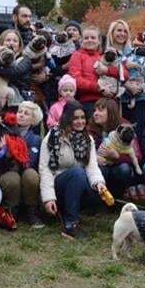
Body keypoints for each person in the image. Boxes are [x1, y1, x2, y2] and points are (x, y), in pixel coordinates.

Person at [39, 101, 108, 240]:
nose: (80, 121)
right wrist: (48, 198)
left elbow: (92, 166)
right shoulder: (52, 137)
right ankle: (70, 224)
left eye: (82, 118)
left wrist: (99, 183)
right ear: (67, 118)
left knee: (100, 175)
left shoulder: (87, 139)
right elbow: (45, 170)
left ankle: (79, 211)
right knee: (77, 172)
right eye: (75, 118)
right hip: (58, 185)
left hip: (78, 183)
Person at [0, 101, 43, 227]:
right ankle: (11, 211)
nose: (21, 115)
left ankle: (32, 211)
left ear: (33, 120)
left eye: (26, 113)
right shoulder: (4, 131)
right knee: (13, 178)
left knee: (31, 175)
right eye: (20, 112)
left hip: (26, 174)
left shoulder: (36, 139)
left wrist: (10, 152)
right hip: (6, 173)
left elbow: (30, 162)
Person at [89, 97, 142, 198]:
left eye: (100, 110)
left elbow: (137, 155)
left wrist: (118, 157)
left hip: (117, 167)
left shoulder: (125, 127)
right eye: (95, 110)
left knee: (124, 169)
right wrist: (95, 158)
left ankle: (116, 198)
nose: (95, 113)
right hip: (100, 166)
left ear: (111, 112)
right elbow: (86, 152)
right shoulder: (90, 128)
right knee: (99, 168)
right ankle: (97, 201)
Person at [67, 25, 113, 116]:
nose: (89, 40)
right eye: (86, 38)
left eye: (93, 37)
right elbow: (76, 79)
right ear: (82, 40)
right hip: (87, 101)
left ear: (99, 41)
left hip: (106, 100)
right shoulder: (77, 55)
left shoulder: (102, 58)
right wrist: (98, 87)